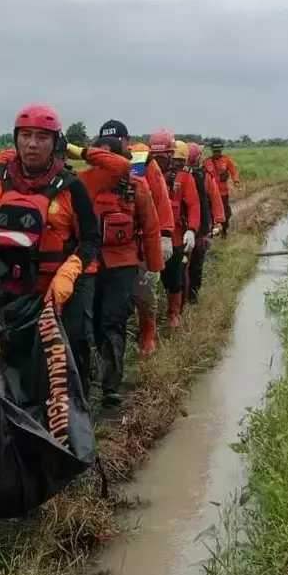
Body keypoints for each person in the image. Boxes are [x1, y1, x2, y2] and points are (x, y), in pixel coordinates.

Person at [0, 104, 106, 396]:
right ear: (15, 139)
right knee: (6, 353)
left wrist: (68, 274)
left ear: (55, 142)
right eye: (26, 135)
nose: (32, 144)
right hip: (8, 285)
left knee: (74, 344)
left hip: (59, 288)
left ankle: (74, 416)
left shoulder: (72, 187)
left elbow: (91, 240)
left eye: (42, 137)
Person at [88, 135, 163, 406]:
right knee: (92, 323)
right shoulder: (85, 184)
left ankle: (111, 385)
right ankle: (91, 377)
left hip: (123, 264)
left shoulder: (137, 188)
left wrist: (153, 267)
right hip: (90, 265)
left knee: (112, 322)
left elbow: (151, 229)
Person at [130, 133, 176, 354]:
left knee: (145, 290)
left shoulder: (144, 161)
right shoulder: (102, 162)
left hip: (144, 237)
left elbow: (161, 198)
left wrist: (165, 235)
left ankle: (148, 333)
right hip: (112, 242)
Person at [151, 138, 200, 330]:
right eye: (157, 156)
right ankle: (148, 322)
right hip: (148, 237)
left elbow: (194, 206)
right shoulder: (145, 174)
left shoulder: (184, 178)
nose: (161, 159)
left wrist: (192, 230)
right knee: (146, 284)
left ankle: (173, 314)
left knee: (175, 278)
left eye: (164, 155)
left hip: (176, 238)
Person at [186, 142, 225, 304]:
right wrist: (219, 222)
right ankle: (191, 297)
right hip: (199, 228)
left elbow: (215, 199)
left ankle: (188, 298)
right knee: (195, 265)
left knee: (188, 265)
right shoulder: (203, 176)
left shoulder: (178, 176)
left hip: (187, 228)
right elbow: (216, 199)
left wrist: (219, 221)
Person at [203, 138, 240, 238]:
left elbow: (233, 170)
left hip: (223, 193)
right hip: (210, 194)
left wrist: (236, 181)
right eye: (215, 151)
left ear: (221, 150)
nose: (217, 153)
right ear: (211, 150)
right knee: (209, 213)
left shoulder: (226, 160)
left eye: (219, 151)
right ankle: (210, 231)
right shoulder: (206, 162)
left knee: (225, 212)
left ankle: (224, 230)